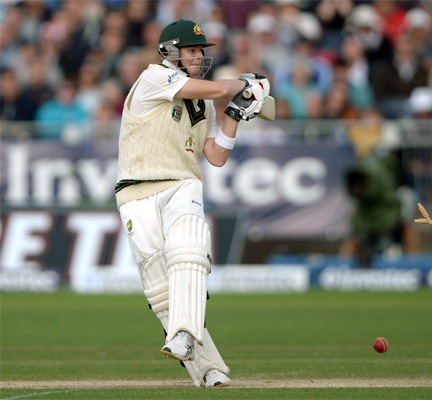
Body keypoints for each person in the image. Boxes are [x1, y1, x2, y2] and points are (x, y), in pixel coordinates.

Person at [114, 19, 270, 388]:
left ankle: (184, 334)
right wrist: (245, 85)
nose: (200, 56)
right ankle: (209, 370)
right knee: (161, 290)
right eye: (193, 51)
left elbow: (215, 155)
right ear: (171, 53)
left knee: (189, 250)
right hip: (135, 190)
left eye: (202, 51)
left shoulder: (204, 97)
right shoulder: (155, 77)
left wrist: (236, 113)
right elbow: (219, 88)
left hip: (182, 183)